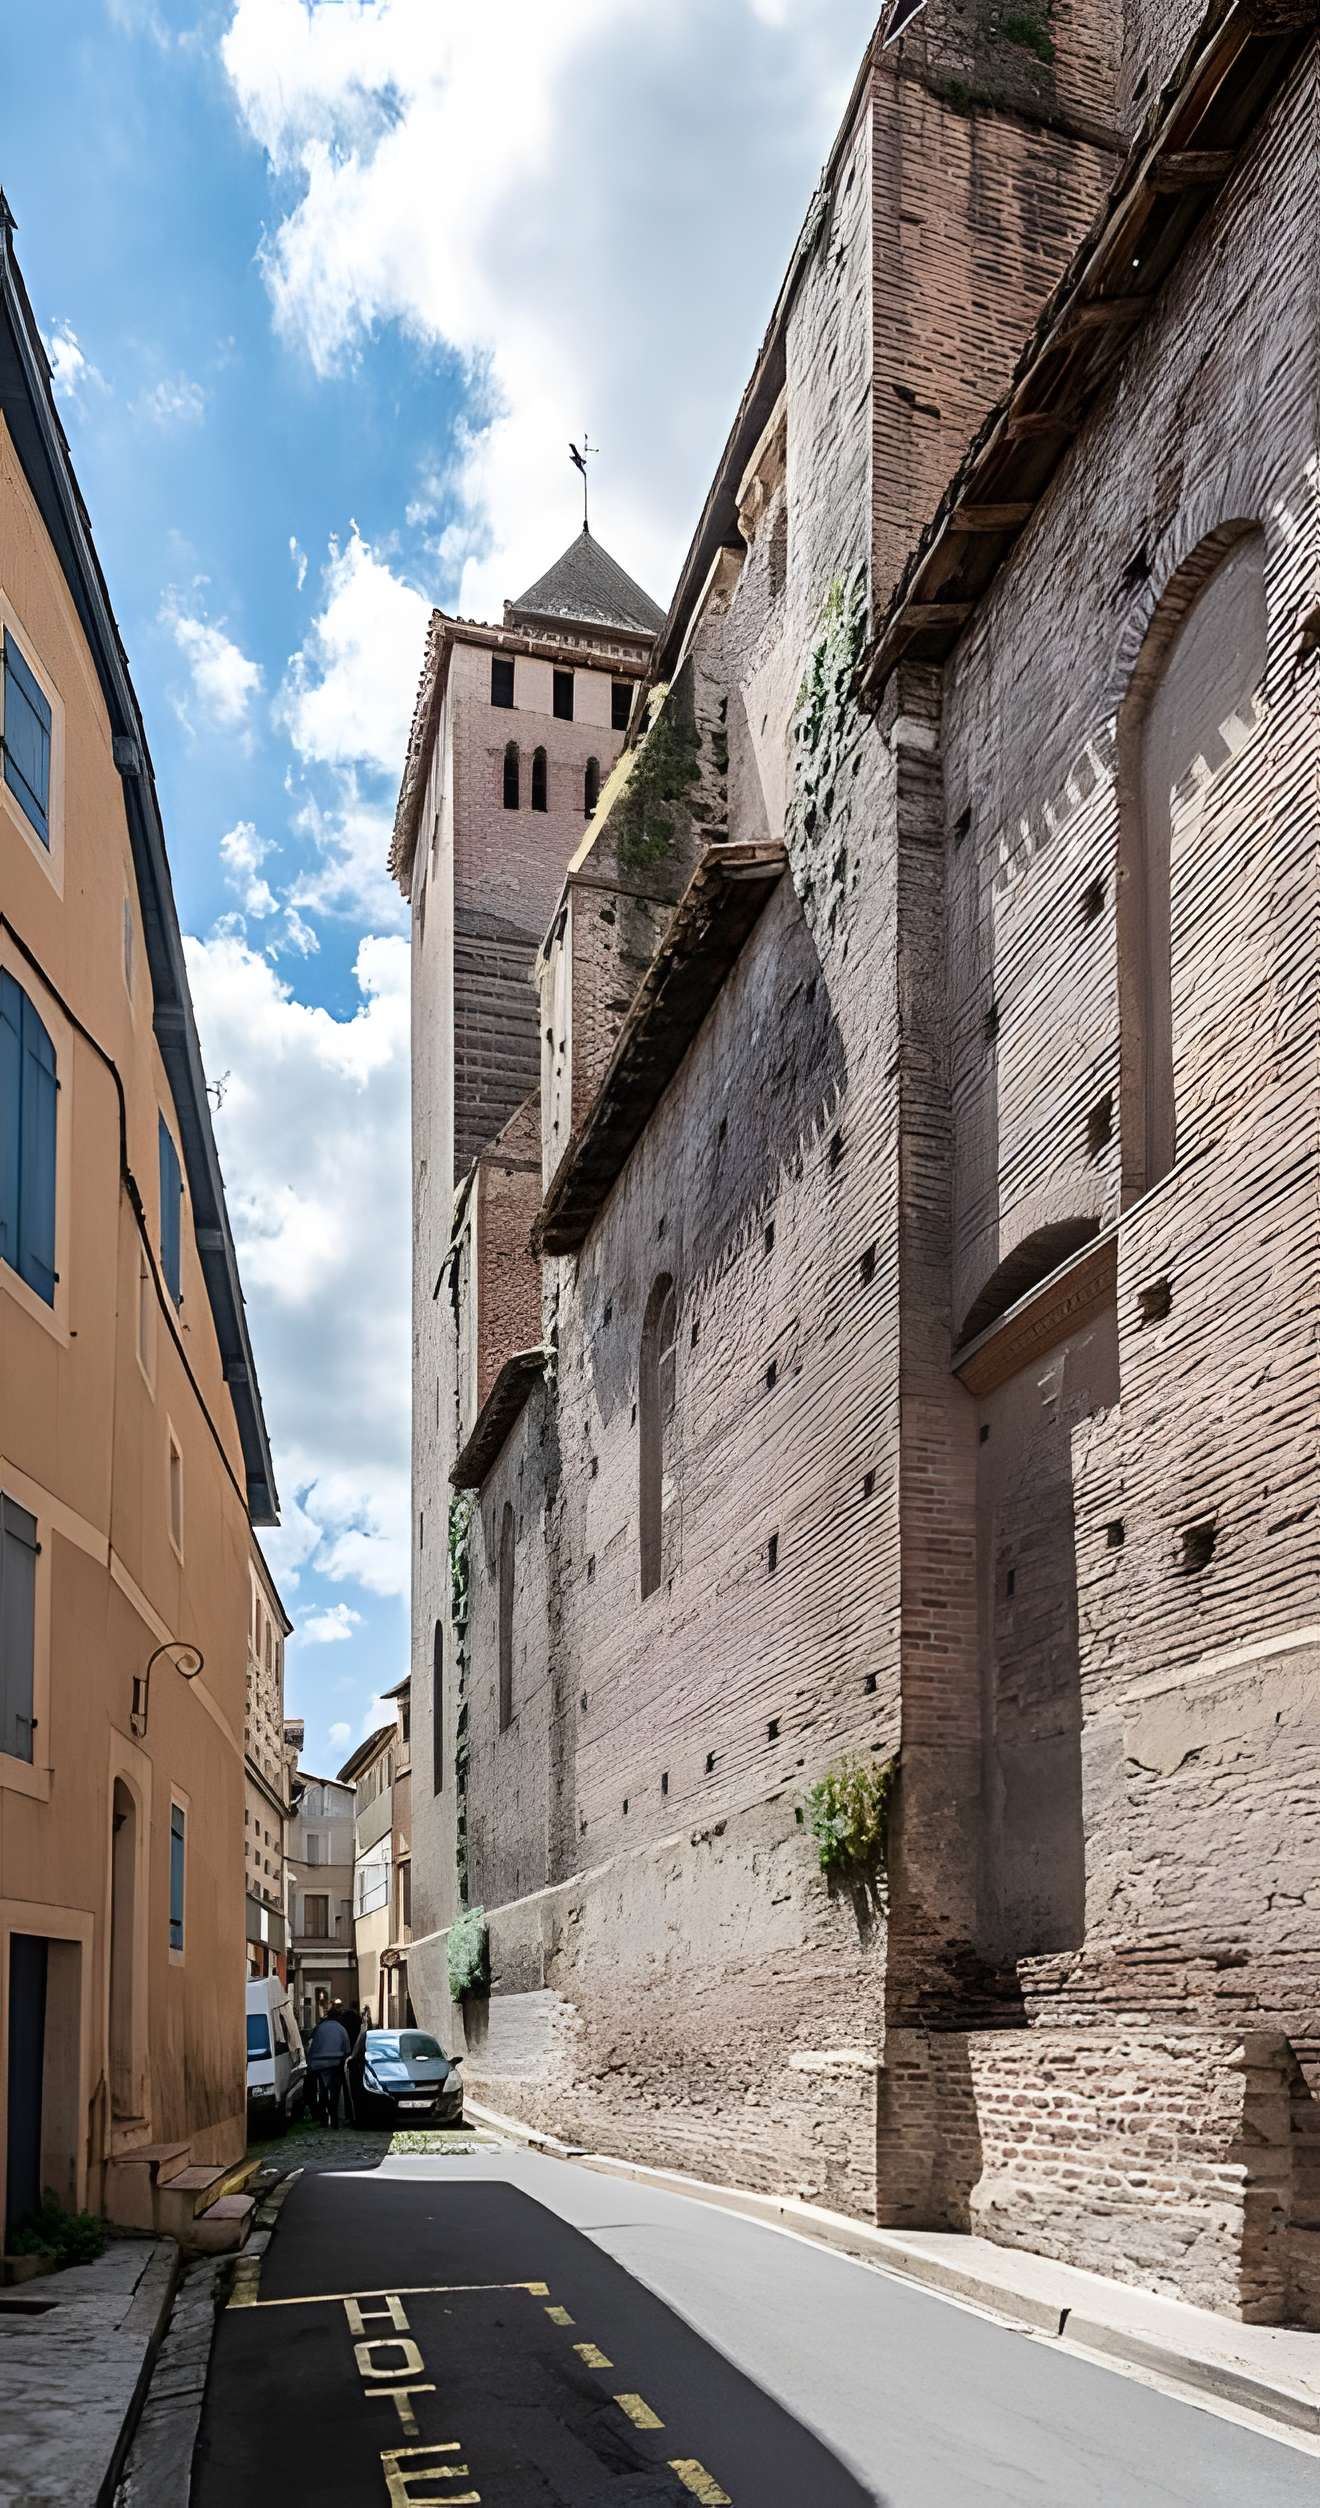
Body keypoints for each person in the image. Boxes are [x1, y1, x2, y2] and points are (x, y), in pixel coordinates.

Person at [305, 2008, 352, 2127]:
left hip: (319, 2064)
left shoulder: (320, 2028)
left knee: (322, 2090)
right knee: (335, 2092)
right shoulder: (341, 2029)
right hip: (336, 2063)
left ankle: (323, 2119)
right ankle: (334, 2118)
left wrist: (310, 2063)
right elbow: (347, 2049)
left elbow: (312, 2044)